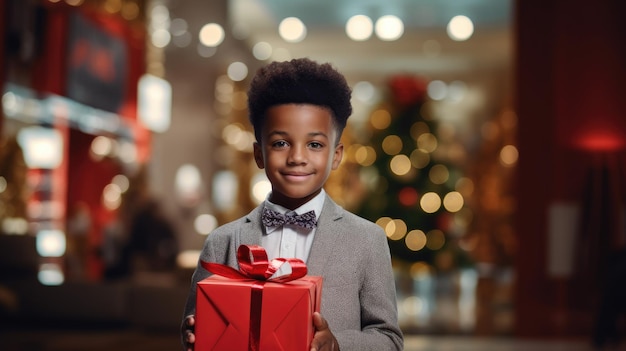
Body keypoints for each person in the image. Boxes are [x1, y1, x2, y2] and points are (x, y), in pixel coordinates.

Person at [181, 58, 403, 351]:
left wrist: (337, 345)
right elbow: (195, 324)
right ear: (259, 154)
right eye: (280, 143)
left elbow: (389, 339)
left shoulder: (366, 240)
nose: (297, 157)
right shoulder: (222, 241)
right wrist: (191, 335)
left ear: (336, 155)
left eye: (314, 145)